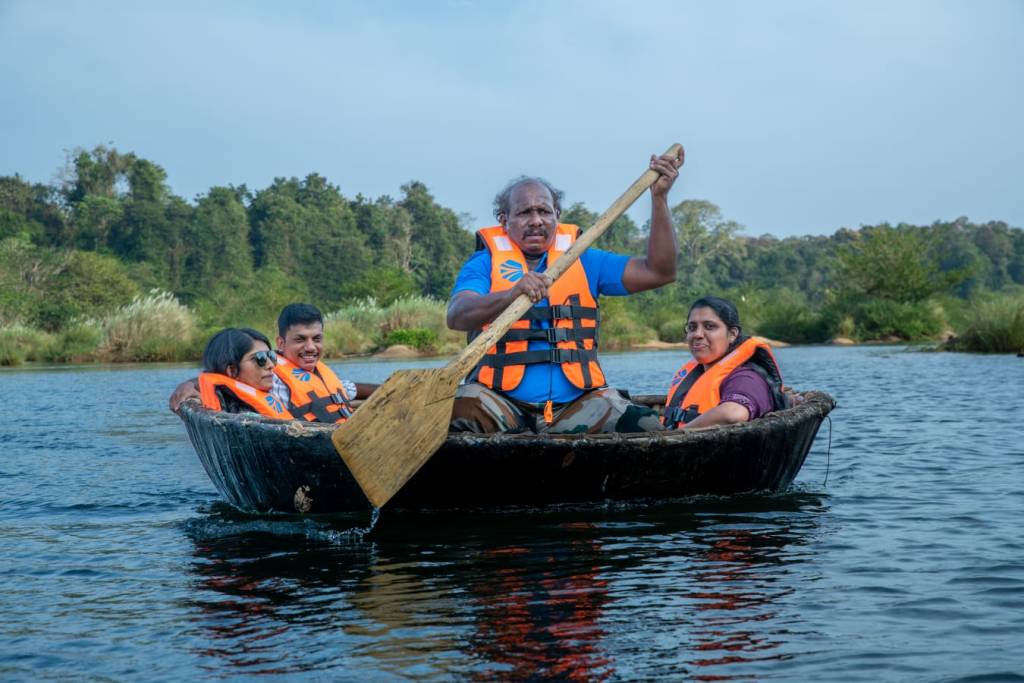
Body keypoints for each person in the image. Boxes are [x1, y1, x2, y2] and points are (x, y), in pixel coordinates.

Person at [446, 149, 684, 434]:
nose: (536, 220)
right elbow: (457, 316)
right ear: (503, 219)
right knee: (455, 408)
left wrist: (659, 199)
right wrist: (510, 294)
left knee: (644, 424)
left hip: (577, 407)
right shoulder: (483, 264)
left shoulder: (584, 259)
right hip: (499, 405)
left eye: (544, 211)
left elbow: (660, 272)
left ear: (556, 215)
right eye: (524, 212)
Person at [169, 303, 376, 421]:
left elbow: (348, 390)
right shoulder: (270, 379)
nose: (311, 347)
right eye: (300, 339)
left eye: (317, 339)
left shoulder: (319, 376)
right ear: (281, 343)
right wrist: (189, 384)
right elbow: (221, 378)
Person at [662, 296, 789, 429]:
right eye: (692, 327)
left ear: (732, 334)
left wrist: (677, 434)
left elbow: (733, 414)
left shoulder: (745, 377)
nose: (697, 334)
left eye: (710, 326)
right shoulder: (696, 374)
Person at [197, 327, 293, 418]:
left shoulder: (280, 387)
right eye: (260, 358)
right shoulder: (239, 414)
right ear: (232, 371)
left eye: (271, 356)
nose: (271, 365)